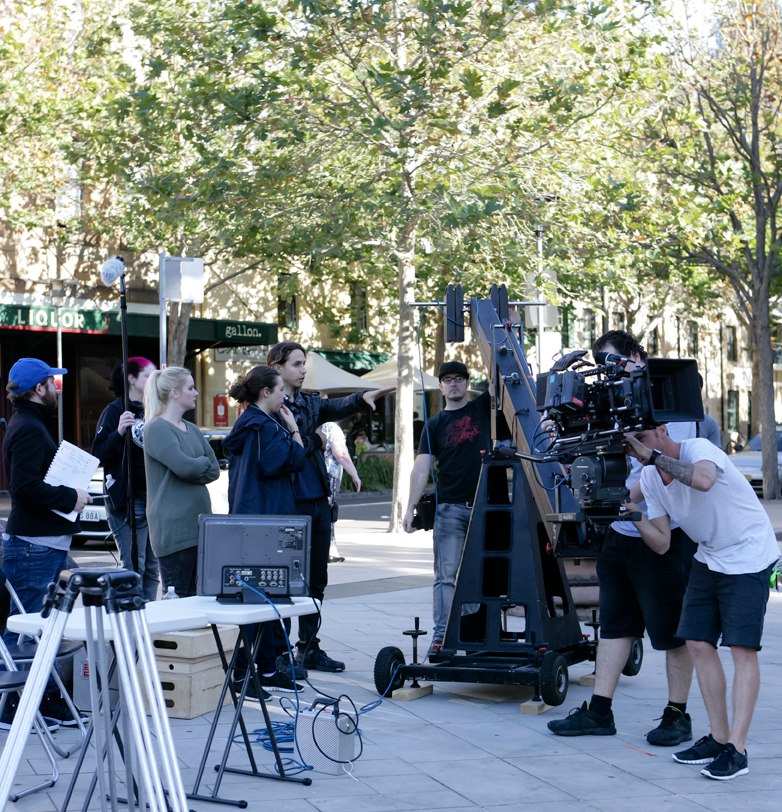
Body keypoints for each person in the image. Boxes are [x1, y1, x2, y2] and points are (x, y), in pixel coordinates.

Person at [548, 330, 707, 746]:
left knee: (671, 632)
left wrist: (627, 495)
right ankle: (599, 710)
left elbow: (671, 465)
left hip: (665, 533)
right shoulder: (608, 401)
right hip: (620, 529)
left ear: (636, 355)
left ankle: (677, 715)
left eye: (613, 363)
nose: (608, 374)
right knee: (615, 625)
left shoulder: (667, 396)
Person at [624, 425, 778, 780]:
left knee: (741, 649)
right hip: (709, 556)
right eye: (630, 442)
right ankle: (719, 738)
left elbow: (704, 480)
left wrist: (653, 457)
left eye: (641, 438)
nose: (635, 447)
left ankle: (737, 750)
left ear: (662, 431)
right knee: (696, 641)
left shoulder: (699, 449)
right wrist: (630, 512)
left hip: (749, 552)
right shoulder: (650, 478)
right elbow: (662, 542)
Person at [267, 342, 393, 673]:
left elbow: (336, 406)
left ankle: (308, 648)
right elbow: (279, 450)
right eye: (296, 364)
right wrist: (316, 441)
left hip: (317, 501)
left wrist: (362, 398)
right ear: (277, 367)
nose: (303, 369)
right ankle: (279, 653)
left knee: (316, 580)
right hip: (288, 503)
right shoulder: (268, 404)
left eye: (303, 363)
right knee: (285, 580)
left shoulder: (309, 402)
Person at [1, 357, 92, 726]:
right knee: (26, 628)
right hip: (33, 547)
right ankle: (13, 706)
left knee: (42, 626)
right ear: (38, 389)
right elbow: (23, 487)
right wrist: (71, 497)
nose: (57, 388)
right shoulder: (28, 428)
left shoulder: (30, 424)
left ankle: (44, 700)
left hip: (41, 544)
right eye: (52, 383)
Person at [223, 365, 306, 695]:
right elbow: (289, 461)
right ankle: (248, 672)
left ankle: (266, 669)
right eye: (280, 389)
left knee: (262, 598)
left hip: (251, 517)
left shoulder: (249, 422)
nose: (284, 395)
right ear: (266, 392)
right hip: (267, 520)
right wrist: (294, 430)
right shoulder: (263, 425)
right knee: (262, 599)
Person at [402, 361, 491, 653]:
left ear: (467, 383)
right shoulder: (434, 424)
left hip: (485, 509)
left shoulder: (482, 408)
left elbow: (502, 375)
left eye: (459, 378)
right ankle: (442, 638)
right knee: (446, 578)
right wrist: (410, 508)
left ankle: (474, 637)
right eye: (448, 379)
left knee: (480, 577)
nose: (453, 384)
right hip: (449, 509)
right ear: (440, 386)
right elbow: (421, 469)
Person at [143, 367, 219, 597]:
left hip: (199, 527)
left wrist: (195, 465)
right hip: (174, 531)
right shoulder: (156, 428)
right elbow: (185, 467)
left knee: (199, 599)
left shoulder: (192, 429)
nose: (196, 392)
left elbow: (214, 470)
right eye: (190, 388)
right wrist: (199, 463)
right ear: (174, 393)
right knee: (178, 601)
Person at [93, 356, 160, 602]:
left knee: (153, 568)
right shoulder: (114, 411)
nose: (153, 380)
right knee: (134, 566)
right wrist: (119, 431)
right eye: (148, 375)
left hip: (154, 497)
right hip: (128, 500)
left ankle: (149, 615)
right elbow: (98, 454)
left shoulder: (155, 409)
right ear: (131, 378)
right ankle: (128, 616)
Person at [318, 421, 362, 562]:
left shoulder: (317, 425)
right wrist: (354, 474)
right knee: (330, 513)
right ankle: (329, 550)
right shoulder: (332, 427)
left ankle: (323, 549)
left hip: (317, 475)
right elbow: (340, 454)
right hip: (329, 476)